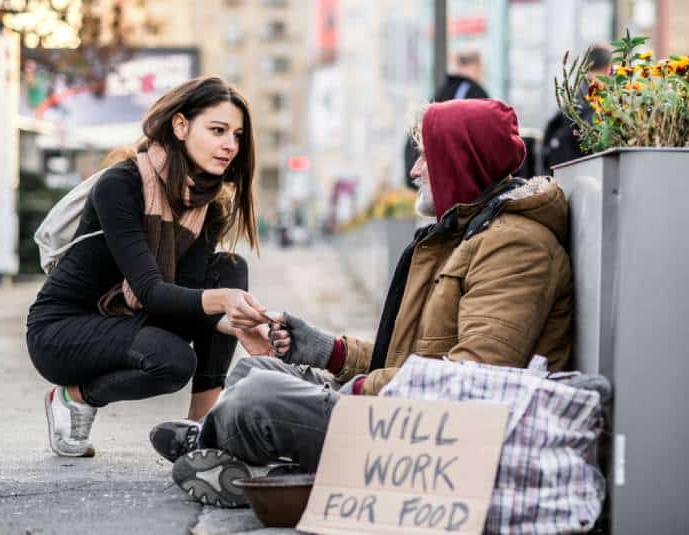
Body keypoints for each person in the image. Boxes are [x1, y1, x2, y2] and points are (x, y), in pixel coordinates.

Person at [151, 98, 573, 507]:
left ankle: (222, 449)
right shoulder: (464, 235)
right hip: (412, 413)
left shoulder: (516, 246)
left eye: (425, 156)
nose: (414, 170)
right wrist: (327, 351)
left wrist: (354, 391)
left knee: (256, 396)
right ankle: (254, 465)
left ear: (460, 159)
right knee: (255, 369)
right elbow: (409, 359)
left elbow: (472, 379)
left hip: (443, 438)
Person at [26, 77, 276, 458]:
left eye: (238, 136)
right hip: (62, 330)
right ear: (180, 126)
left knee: (229, 267)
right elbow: (151, 291)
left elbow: (187, 295)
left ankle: (201, 427)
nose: (230, 145)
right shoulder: (120, 185)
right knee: (173, 360)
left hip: (133, 320)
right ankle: (73, 397)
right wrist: (225, 303)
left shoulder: (207, 205)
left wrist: (242, 324)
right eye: (218, 130)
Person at [404, 50, 489, 189]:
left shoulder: (443, 90)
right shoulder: (474, 92)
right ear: (478, 66)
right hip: (450, 181)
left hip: (429, 179)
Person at [542, 44, 611, 173]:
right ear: (607, 69)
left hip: (564, 169)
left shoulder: (577, 94)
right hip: (582, 171)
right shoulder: (593, 97)